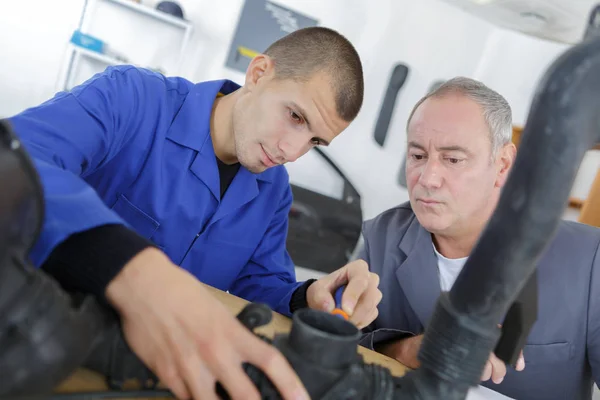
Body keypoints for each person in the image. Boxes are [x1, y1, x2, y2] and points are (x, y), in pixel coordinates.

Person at [7, 27, 382, 400]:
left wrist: (307, 297)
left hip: (161, 377)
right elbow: (17, 164)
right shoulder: (133, 98)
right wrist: (133, 269)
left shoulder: (274, 191)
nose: (292, 151)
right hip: (40, 348)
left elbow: (261, 285)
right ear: (259, 73)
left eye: (315, 140)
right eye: (296, 117)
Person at [357, 77, 600, 400]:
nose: (427, 178)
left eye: (453, 159)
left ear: (502, 165)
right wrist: (410, 350)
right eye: (417, 155)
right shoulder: (381, 237)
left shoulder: (589, 260)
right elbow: (339, 348)